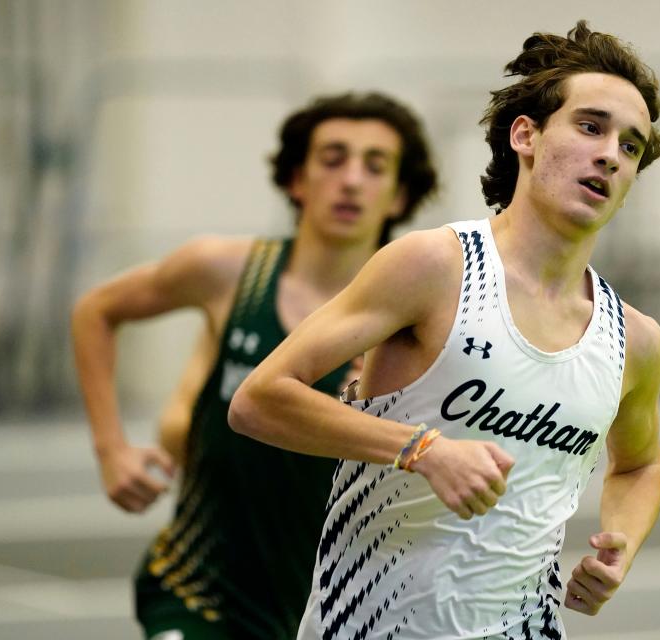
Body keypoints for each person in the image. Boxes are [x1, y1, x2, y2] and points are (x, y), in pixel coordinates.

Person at [229, 21, 660, 639]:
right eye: (591, 126)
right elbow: (258, 400)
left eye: (631, 146)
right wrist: (420, 449)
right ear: (527, 135)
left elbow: (640, 464)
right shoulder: (435, 268)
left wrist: (620, 542)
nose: (609, 154)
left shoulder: (635, 340)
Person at [71, 92, 437, 639]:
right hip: (201, 592)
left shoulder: (419, 312)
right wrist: (111, 450)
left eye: (375, 165)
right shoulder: (228, 271)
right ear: (297, 180)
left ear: (399, 194)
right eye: (333, 159)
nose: (352, 180)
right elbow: (96, 310)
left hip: (335, 605)